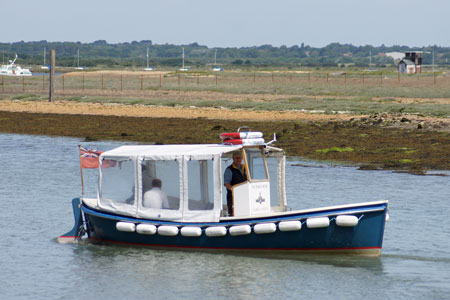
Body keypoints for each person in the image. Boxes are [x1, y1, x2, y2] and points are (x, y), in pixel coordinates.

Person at [224, 152, 247, 216]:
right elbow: (226, 184)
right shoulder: (229, 170)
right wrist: (235, 191)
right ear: (233, 159)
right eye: (236, 158)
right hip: (233, 197)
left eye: (239, 158)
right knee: (233, 213)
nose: (238, 159)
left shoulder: (245, 168)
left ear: (242, 159)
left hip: (244, 196)